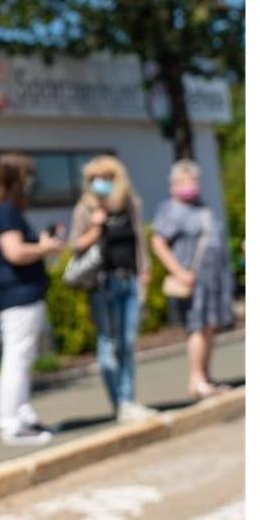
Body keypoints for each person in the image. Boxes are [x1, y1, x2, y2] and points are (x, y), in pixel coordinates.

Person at [68, 155, 158, 423]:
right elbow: (76, 245)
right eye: (95, 179)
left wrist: (145, 270)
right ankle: (119, 402)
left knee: (127, 343)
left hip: (128, 278)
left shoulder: (130, 204)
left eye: (106, 178)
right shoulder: (84, 209)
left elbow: (139, 239)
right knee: (108, 344)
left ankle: (129, 399)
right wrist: (97, 225)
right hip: (102, 283)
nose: (100, 183)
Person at [0, 153, 64, 446]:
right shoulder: (5, 211)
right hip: (17, 294)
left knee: (24, 356)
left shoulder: (8, 210)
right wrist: (44, 248)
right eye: (28, 177)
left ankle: (22, 413)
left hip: (26, 293)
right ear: (17, 180)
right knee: (16, 358)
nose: (32, 183)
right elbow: (14, 252)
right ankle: (10, 423)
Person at [151, 160, 236, 398]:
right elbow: (158, 243)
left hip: (212, 280)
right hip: (192, 280)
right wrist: (179, 272)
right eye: (185, 180)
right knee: (197, 327)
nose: (191, 185)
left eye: (194, 180)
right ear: (174, 184)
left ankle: (206, 378)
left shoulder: (202, 208)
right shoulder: (171, 210)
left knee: (210, 327)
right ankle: (196, 379)